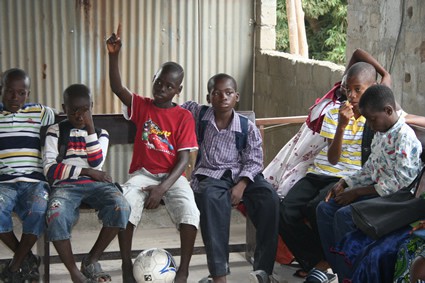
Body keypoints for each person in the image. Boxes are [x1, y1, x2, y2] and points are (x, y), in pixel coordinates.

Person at [106, 25, 200, 283]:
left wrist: (162, 189)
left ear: (177, 90)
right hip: (143, 175)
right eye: (159, 82)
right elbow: (117, 88)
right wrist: (113, 55)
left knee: (191, 211)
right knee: (124, 206)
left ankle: (183, 270)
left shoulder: (183, 116)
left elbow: (183, 160)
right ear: (153, 80)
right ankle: (126, 265)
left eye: (169, 86)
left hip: (172, 177)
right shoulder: (142, 106)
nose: (162, 88)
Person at [278, 61, 381, 281]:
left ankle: (328, 261)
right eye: (348, 89)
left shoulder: (374, 118)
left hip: (346, 177)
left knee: (317, 207)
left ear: (371, 89)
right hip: (320, 172)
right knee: (286, 211)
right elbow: (333, 158)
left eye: (358, 90)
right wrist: (342, 127)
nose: (351, 95)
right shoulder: (334, 113)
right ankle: (318, 261)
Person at [316, 84, 423, 282]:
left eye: (373, 120)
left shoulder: (404, 137)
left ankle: (351, 276)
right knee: (324, 209)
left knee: (344, 217)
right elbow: (370, 169)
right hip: (377, 192)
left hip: (397, 201)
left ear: (388, 111)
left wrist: (357, 193)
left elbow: (402, 185)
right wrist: (346, 183)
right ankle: (340, 270)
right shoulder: (381, 133)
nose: (371, 126)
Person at [181, 73, 280, 283]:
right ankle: (219, 274)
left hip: (243, 175)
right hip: (211, 175)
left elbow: (254, 161)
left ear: (237, 96)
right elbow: (174, 108)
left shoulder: (246, 126)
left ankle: (263, 270)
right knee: (210, 198)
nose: (223, 97)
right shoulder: (200, 115)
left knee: (269, 198)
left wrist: (242, 185)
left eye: (228, 93)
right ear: (209, 98)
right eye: (216, 93)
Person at [44, 84, 130, 283]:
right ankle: (75, 273)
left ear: (91, 107)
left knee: (121, 207)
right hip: (65, 186)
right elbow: (49, 169)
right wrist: (86, 172)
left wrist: (90, 128)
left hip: (97, 184)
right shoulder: (55, 131)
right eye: (73, 110)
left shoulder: (101, 134)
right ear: (64, 108)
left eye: (84, 110)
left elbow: (96, 161)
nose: (79, 115)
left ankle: (91, 259)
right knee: (55, 216)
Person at [0, 68, 55, 282]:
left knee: (39, 209)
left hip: (34, 182)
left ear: (28, 94)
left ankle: (15, 265)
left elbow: (70, 113)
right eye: (10, 92)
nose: (16, 98)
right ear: (1, 90)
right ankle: (27, 258)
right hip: (4, 183)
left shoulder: (38, 112)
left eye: (22, 93)